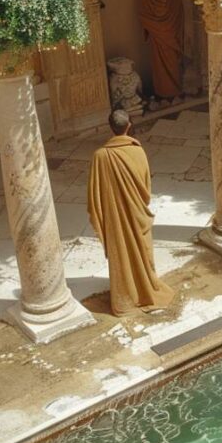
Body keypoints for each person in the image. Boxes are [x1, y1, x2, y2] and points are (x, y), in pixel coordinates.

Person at [87, 110, 175, 316]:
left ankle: (125, 297)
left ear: (111, 127)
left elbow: (94, 196)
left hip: (115, 218)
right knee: (142, 252)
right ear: (129, 125)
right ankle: (146, 290)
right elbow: (146, 186)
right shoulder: (138, 151)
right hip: (137, 213)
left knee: (122, 253)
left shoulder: (100, 156)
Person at [137, 0, 184, 106]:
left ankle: (175, 92)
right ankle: (162, 94)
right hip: (157, 36)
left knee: (173, 65)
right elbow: (143, 14)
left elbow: (177, 11)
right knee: (159, 68)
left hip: (171, 35)